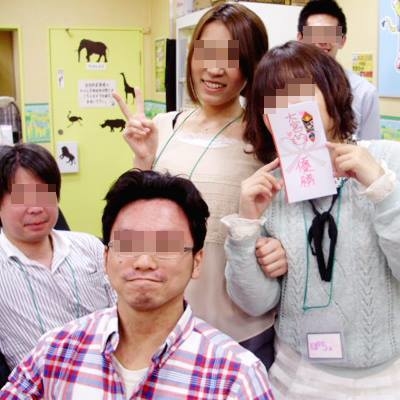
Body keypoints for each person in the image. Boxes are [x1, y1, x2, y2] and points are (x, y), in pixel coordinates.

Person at [113, 2, 287, 369]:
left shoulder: (265, 140)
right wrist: (142, 160)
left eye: (231, 58)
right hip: (164, 325)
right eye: (206, 52)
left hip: (239, 329)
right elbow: (136, 220)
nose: (214, 68)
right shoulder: (163, 126)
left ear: (252, 65)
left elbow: (287, 224)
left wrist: (279, 249)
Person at [223, 40, 400, 399]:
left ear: (333, 94)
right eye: (273, 101)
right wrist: (246, 229)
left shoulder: (387, 159)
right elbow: (255, 302)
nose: (289, 107)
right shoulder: (268, 187)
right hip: (297, 377)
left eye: (301, 92)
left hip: (386, 377)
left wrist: (381, 188)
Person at [0, 169, 275, 399]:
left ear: (197, 261)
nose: (144, 261)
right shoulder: (57, 351)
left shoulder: (235, 376)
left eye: (165, 246)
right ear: (106, 257)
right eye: (128, 244)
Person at [0, 143, 115, 370]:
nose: (36, 208)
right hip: (43, 383)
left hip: (113, 373)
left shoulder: (90, 246)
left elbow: (125, 311)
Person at [297, 0, 380, 140]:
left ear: (342, 41)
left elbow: (372, 147)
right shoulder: (284, 85)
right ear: (300, 39)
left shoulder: (364, 92)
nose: (323, 41)